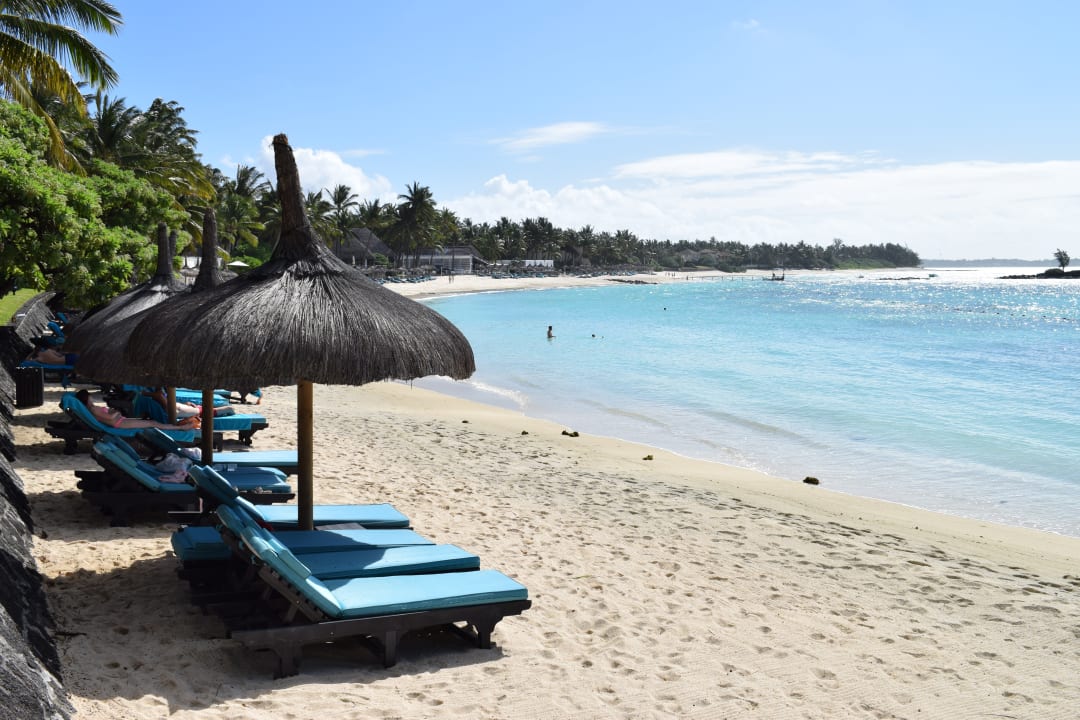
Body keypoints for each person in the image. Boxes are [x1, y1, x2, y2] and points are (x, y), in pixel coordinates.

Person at [75, 389, 199, 430]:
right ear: (86, 400)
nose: (92, 399)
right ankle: (178, 427)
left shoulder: (93, 409)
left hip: (120, 420)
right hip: (120, 423)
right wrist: (116, 411)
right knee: (152, 423)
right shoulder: (93, 410)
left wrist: (113, 411)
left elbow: (109, 415)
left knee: (153, 423)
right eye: (90, 398)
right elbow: (110, 417)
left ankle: (178, 427)